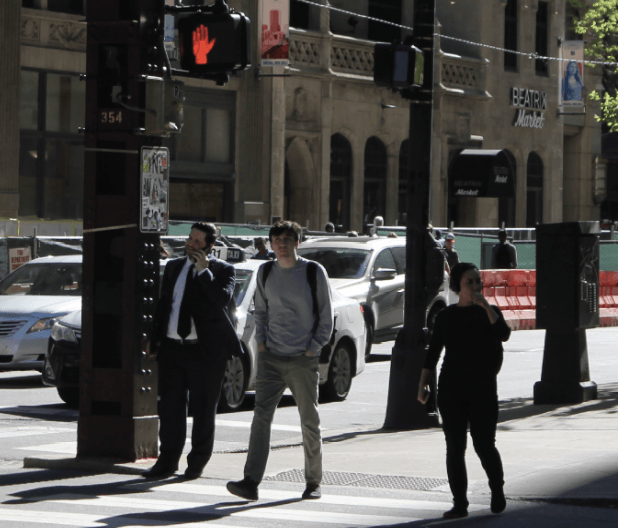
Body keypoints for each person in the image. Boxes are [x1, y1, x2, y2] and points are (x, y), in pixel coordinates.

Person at [227, 220, 334, 501]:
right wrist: (261, 345)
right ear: (270, 244)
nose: (282, 244)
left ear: (297, 243)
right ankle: (250, 482)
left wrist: (313, 349)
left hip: (302, 359)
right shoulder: (265, 272)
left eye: (287, 239)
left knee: (309, 420)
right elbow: (260, 312)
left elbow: (326, 315)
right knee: (261, 418)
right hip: (271, 358)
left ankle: (313, 482)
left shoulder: (313, 271)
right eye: (277, 240)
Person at [143, 222, 243, 480]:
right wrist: (155, 342)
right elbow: (164, 307)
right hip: (173, 349)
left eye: (198, 242)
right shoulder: (174, 267)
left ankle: (196, 463)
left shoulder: (223, 270)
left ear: (210, 246)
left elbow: (220, 300)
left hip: (205, 352)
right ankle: (166, 461)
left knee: (203, 409)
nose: (192, 245)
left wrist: (203, 271)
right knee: (170, 409)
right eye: (190, 239)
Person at [418, 262, 511, 519]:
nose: (476, 286)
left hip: (482, 388)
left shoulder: (490, 312)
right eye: (470, 282)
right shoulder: (446, 317)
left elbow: (504, 334)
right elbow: (434, 353)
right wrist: (424, 382)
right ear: (459, 286)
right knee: (455, 447)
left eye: (478, 281)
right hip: (452, 388)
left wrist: (485, 307)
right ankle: (459, 502)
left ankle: (497, 489)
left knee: (484, 444)